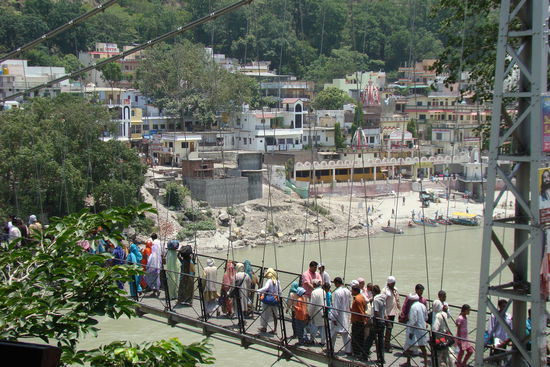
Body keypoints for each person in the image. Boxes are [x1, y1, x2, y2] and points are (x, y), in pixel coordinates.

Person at [401, 294, 429, 367]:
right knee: (423, 347)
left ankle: (408, 362)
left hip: (414, 330)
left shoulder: (413, 307)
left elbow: (413, 320)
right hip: (422, 328)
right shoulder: (423, 306)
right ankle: (425, 364)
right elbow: (426, 317)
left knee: (410, 345)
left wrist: (411, 330)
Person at [329, 277, 352, 355]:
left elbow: (336, 305)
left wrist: (334, 317)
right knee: (346, 333)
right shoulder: (348, 291)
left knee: (332, 333)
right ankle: (348, 350)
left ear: (336, 283)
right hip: (346, 314)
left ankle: (331, 348)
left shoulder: (337, 292)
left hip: (338, 316)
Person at [365, 285, 386, 365]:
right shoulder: (383, 298)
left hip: (377, 322)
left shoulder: (376, 300)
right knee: (380, 341)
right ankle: (381, 358)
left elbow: (376, 312)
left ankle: (364, 354)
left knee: (370, 339)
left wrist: (373, 322)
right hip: (382, 321)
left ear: (373, 292)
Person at [258, 268, 281, 334]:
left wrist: (258, 291)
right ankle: (275, 329)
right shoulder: (277, 281)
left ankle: (264, 327)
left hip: (268, 299)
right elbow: (280, 291)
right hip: (275, 300)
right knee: (275, 315)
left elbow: (265, 288)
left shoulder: (269, 281)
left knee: (265, 313)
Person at [382, 275, 401, 353]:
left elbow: (397, 300)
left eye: (394, 283)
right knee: (387, 329)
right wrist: (385, 314)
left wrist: (400, 310)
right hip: (386, 313)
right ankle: (386, 345)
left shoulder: (395, 290)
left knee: (390, 329)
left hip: (393, 313)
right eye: (392, 283)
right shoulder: (384, 291)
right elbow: (383, 303)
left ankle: (386, 343)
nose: (394, 284)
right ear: (389, 283)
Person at [432, 301, 453, 367]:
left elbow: (435, 329)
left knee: (438, 356)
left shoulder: (438, 315)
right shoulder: (444, 314)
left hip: (439, 339)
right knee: (446, 354)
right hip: (445, 337)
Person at [350, 283, 368, 359]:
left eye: (352, 290)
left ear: (355, 291)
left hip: (357, 321)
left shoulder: (357, 299)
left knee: (356, 338)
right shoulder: (361, 297)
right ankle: (359, 352)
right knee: (360, 338)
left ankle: (357, 353)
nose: (351, 292)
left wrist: (364, 321)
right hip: (359, 321)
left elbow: (361, 311)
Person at [309, 279, 327, 345]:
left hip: (316, 312)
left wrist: (310, 313)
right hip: (323, 311)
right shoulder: (323, 291)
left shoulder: (314, 292)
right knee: (323, 328)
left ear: (314, 284)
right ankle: (323, 341)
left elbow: (312, 304)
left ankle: (311, 340)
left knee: (314, 326)